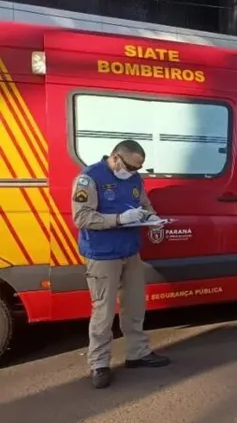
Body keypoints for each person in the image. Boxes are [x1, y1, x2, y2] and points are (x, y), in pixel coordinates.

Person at [71, 140, 170, 389]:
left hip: (130, 251)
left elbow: (144, 204)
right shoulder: (89, 178)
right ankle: (99, 364)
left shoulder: (134, 178)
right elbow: (81, 217)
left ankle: (137, 353)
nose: (134, 172)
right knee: (103, 312)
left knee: (135, 306)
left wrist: (152, 217)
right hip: (103, 254)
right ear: (115, 158)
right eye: (130, 166)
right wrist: (118, 219)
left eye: (138, 168)